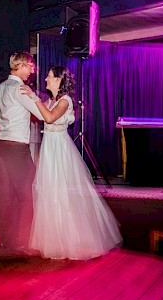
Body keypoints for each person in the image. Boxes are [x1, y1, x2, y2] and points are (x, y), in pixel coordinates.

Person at [21, 66, 122, 259]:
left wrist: (33, 97)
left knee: (62, 195)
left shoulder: (65, 101)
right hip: (49, 148)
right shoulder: (51, 100)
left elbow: (49, 118)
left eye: (50, 77)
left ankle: (70, 240)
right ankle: (53, 240)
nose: (46, 80)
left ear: (59, 81)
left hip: (60, 150)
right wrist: (32, 97)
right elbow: (41, 111)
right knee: (49, 193)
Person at [0, 52, 44, 251]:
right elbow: (41, 113)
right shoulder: (21, 89)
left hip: (2, 145)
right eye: (30, 66)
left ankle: (6, 239)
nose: (32, 71)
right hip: (17, 147)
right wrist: (36, 97)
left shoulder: (0, 88)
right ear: (21, 65)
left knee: (7, 195)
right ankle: (23, 240)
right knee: (28, 194)